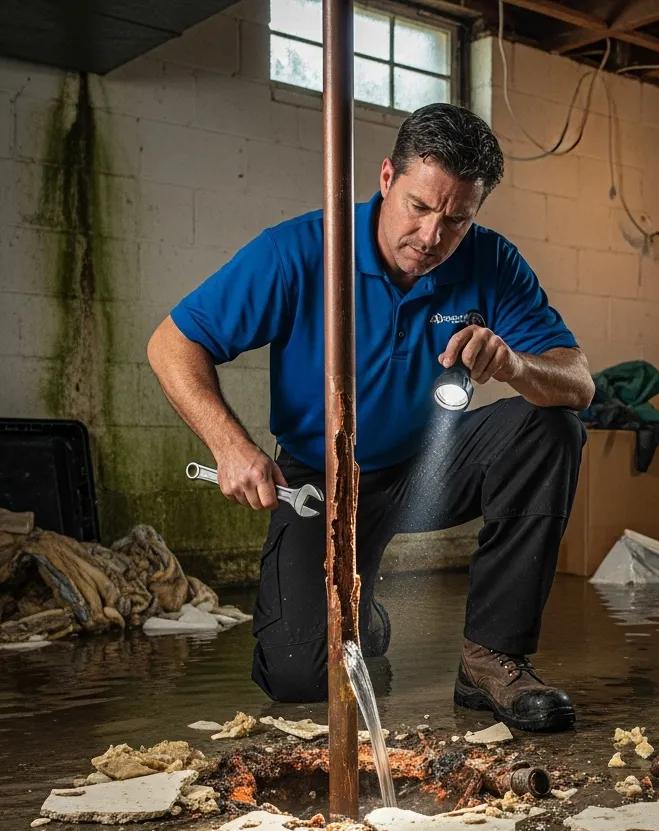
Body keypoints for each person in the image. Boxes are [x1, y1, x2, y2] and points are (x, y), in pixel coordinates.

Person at [147, 103, 593, 733]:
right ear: (386, 179)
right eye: (419, 206)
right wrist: (230, 445)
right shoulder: (298, 250)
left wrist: (517, 365)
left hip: (429, 466)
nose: (433, 236)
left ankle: (491, 659)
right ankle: (363, 613)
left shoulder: (493, 261)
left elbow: (578, 382)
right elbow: (171, 344)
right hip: (318, 483)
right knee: (300, 676)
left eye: (457, 219)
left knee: (552, 426)